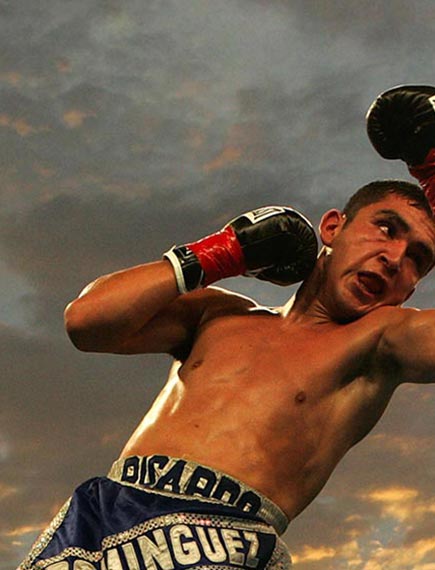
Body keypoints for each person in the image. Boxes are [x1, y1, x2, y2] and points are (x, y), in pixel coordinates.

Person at [19, 86, 435, 570]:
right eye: (386, 228)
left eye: (418, 259)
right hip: (101, 520)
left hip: (225, 541)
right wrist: (221, 253)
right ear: (332, 228)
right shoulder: (221, 315)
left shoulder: (378, 343)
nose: (394, 258)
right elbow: (87, 321)